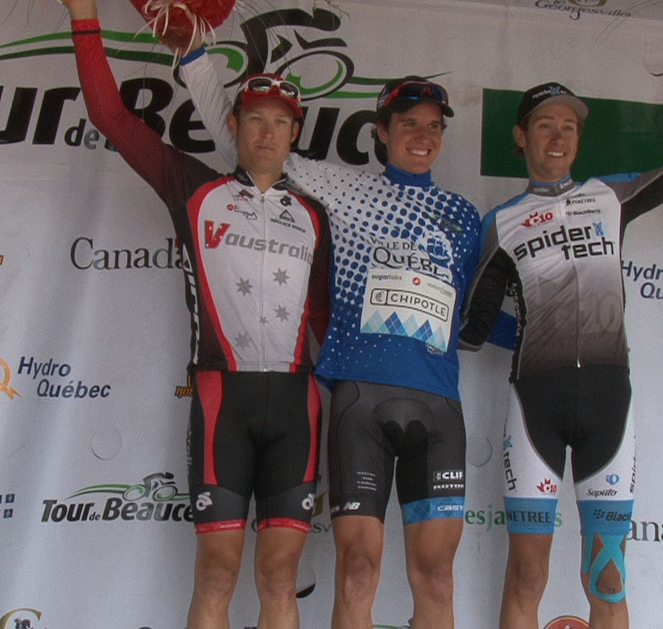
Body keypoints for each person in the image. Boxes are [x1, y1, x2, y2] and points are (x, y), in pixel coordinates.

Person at [52, 0, 331, 629]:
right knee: (216, 572)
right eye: (254, 118)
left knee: (279, 577)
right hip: (221, 399)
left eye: (280, 121)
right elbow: (113, 118)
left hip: (297, 403)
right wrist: (84, 12)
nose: (267, 131)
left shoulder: (318, 213)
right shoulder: (196, 189)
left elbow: (325, 315)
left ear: (295, 134)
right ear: (234, 127)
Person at [460, 44, 663, 629]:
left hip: (610, 402)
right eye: (545, 125)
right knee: (527, 574)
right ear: (520, 137)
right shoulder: (500, 222)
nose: (559, 136)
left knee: (607, 573)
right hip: (536, 409)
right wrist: (537, 330)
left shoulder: (609, 197)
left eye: (570, 126)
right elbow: (473, 332)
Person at [181, 49, 481, 628]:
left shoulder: (464, 215)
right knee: (360, 568)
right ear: (381, 133)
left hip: (440, 400)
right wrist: (194, 60)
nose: (422, 136)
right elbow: (251, 146)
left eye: (433, 127)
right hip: (357, 400)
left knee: (439, 575)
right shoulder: (339, 189)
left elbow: (472, 314)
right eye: (409, 124)